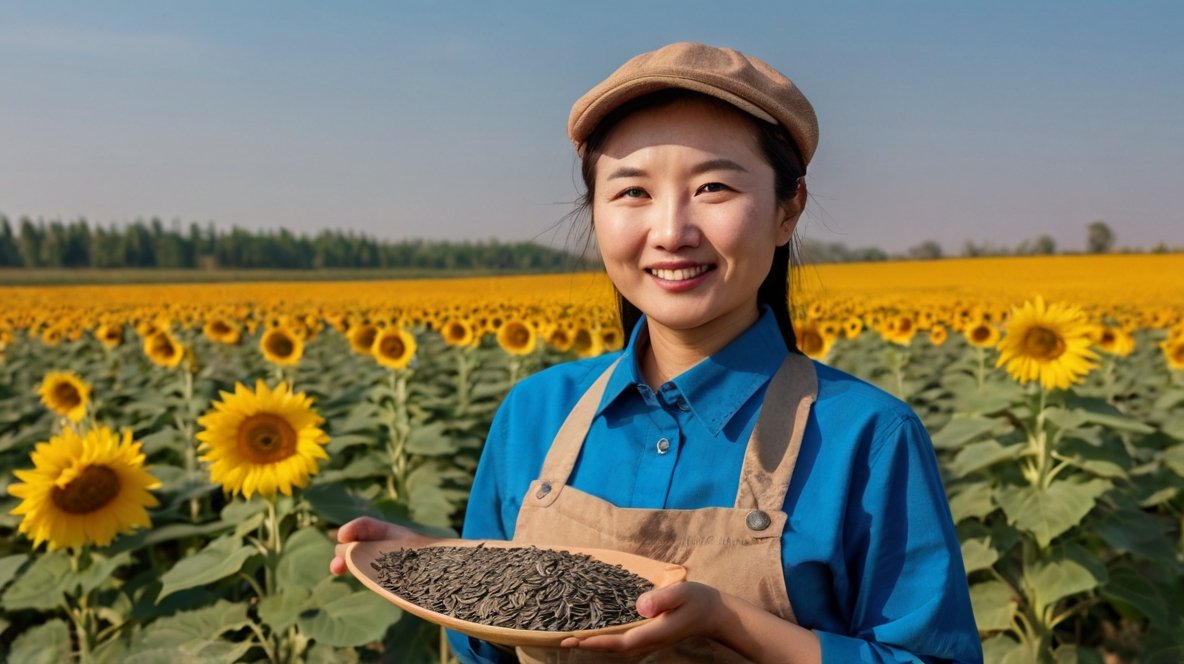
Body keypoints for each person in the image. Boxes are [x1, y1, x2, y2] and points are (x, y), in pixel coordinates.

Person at [330, 42, 983, 663]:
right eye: (633, 192)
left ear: (789, 211)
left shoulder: (866, 436)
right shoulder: (536, 412)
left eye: (714, 189)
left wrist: (734, 625)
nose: (671, 232)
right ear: (596, 213)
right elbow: (491, 646)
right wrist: (438, 570)